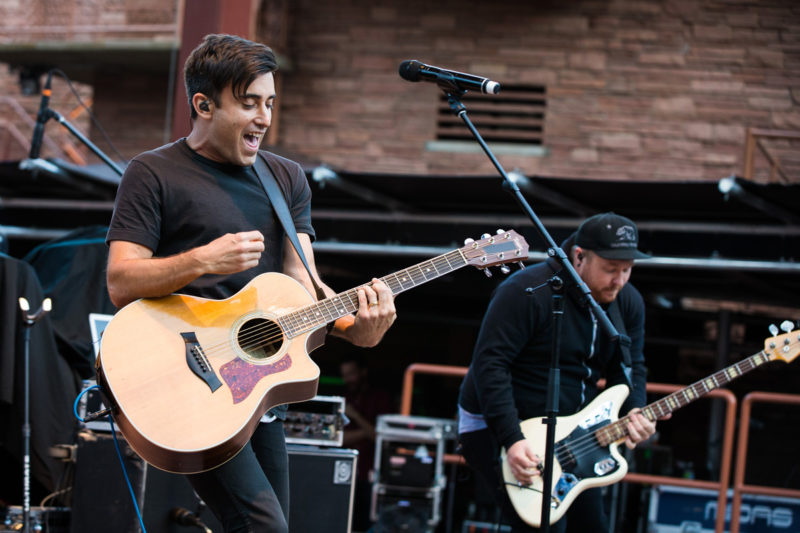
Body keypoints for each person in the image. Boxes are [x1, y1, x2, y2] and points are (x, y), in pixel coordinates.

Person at [105, 34, 397, 533]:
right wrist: (202, 260)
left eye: (269, 103)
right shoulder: (152, 172)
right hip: (185, 379)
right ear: (203, 104)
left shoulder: (286, 179)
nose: (263, 117)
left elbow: (304, 288)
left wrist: (357, 327)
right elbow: (120, 280)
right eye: (248, 104)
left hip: (254, 387)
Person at [457, 212, 660, 533]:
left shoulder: (628, 302)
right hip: (495, 423)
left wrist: (635, 408)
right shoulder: (525, 290)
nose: (619, 280)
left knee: (591, 526)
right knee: (542, 527)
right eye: (610, 269)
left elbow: (631, 365)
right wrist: (511, 439)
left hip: (573, 432)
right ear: (579, 257)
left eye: (627, 270)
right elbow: (490, 365)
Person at [340, 354, 394, 530]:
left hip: (373, 475)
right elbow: (339, 439)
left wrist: (355, 416)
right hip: (345, 474)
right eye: (345, 375)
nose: (348, 379)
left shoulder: (380, 398)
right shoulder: (344, 398)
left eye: (352, 374)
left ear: (363, 372)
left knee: (370, 524)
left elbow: (382, 436)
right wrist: (366, 431)